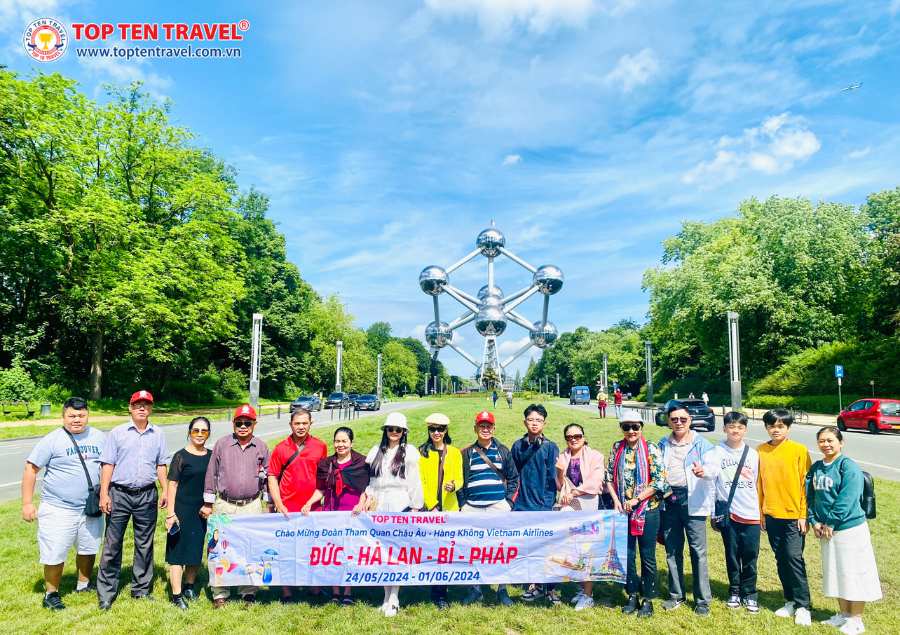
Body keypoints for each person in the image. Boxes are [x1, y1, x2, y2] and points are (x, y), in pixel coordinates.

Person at [22, 397, 106, 610]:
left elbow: (108, 466)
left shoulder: (100, 437)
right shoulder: (52, 440)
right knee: (55, 550)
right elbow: (31, 469)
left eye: (81, 415)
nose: (76, 420)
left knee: (88, 548)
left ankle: (84, 584)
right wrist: (27, 503)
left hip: (90, 507)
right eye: (72, 416)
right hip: (58, 507)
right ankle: (51, 593)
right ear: (63, 416)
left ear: (87, 415)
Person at [96, 390, 168, 609]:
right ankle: (107, 593)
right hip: (119, 494)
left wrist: (165, 490)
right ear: (130, 407)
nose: (142, 408)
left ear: (151, 408)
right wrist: (104, 493)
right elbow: (107, 464)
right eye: (138, 404)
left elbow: (161, 464)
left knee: (144, 544)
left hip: (147, 494)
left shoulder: (158, 434)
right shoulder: (118, 433)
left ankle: (141, 589)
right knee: (112, 543)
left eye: (146, 405)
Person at [807, 427, 882, 635]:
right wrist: (814, 521)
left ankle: (856, 619)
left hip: (849, 529)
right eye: (822, 441)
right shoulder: (816, 468)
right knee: (836, 572)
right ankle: (843, 614)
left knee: (853, 573)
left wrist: (831, 522)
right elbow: (810, 497)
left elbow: (847, 498)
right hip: (825, 530)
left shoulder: (847, 466)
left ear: (841, 442)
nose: (826, 444)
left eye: (830, 440)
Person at [202, 404, 270, 608]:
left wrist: (268, 504)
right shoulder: (222, 444)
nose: (243, 426)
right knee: (219, 549)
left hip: (251, 505)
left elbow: (267, 476)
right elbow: (211, 474)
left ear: (254, 424)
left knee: (250, 549)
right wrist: (208, 503)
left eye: (247, 423)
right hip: (224, 504)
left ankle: (247, 590)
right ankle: (220, 592)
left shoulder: (261, 447)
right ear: (233, 424)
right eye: (239, 422)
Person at [358, 412, 424, 617]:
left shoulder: (410, 453)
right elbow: (371, 482)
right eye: (390, 429)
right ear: (385, 431)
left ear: (404, 432)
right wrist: (368, 498)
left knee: (396, 553)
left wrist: (415, 507)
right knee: (382, 553)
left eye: (398, 429)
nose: (394, 433)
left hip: (400, 503)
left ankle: (394, 597)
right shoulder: (377, 451)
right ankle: (386, 595)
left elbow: (414, 481)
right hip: (379, 504)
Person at [606, 409, 668, 618]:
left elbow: (659, 481)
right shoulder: (617, 447)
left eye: (635, 427)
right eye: (626, 427)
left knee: (647, 556)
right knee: (628, 555)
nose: (631, 431)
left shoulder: (651, 448)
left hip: (647, 510)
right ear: (621, 428)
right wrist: (616, 501)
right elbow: (608, 477)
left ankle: (648, 598)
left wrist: (636, 500)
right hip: (623, 511)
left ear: (641, 427)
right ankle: (632, 593)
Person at [658, 401, 718, 616]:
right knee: (672, 550)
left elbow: (714, 467)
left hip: (693, 500)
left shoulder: (701, 443)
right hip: (669, 500)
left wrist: (705, 471)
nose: (679, 423)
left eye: (683, 419)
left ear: (690, 420)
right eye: (674, 419)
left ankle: (702, 600)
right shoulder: (663, 443)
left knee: (698, 551)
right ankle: (676, 595)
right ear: (669, 422)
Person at [458, 410, 520, 607]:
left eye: (488, 426)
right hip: (472, 508)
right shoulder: (466, 453)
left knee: (500, 548)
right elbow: (459, 482)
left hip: (497, 507)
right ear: (475, 428)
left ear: (493, 428)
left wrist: (508, 502)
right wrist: (462, 505)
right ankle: (475, 589)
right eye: (481, 426)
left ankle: (502, 589)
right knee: (472, 549)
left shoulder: (503, 451)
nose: (485, 429)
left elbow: (514, 478)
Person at [303, 426, 370, 605]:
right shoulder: (326, 464)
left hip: (351, 513)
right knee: (332, 552)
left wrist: (361, 504)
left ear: (351, 443)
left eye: (344, 441)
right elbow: (321, 489)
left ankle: (347, 590)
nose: (340, 445)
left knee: (349, 552)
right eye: (337, 441)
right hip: (331, 513)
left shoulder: (362, 463)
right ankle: (334, 590)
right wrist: (310, 502)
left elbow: (365, 489)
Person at [758, 408, 813, 627]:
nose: (776, 430)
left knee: (793, 559)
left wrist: (803, 515)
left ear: (788, 428)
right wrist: (761, 512)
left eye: (780, 426)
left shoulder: (799, 450)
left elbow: (805, 486)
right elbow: (758, 485)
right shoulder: (760, 451)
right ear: (766, 428)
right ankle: (789, 600)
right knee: (781, 559)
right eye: (772, 426)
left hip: (793, 517)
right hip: (771, 514)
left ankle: (803, 606)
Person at [268, 406, 328, 603]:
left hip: (312, 507)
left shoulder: (320, 446)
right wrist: (278, 503)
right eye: (297, 423)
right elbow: (272, 477)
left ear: (311, 423)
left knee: (312, 547)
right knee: (286, 549)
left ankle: (314, 586)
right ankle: (286, 590)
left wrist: (314, 501)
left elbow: (324, 478)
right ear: (290, 425)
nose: (301, 427)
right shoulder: (280, 448)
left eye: (304, 423)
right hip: (287, 508)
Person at [711, 412, 761, 613]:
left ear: (745, 430)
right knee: (732, 554)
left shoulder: (753, 454)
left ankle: (749, 593)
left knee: (750, 555)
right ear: (724, 429)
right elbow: (713, 482)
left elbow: (756, 483)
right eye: (731, 426)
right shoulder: (717, 451)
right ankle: (734, 590)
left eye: (740, 427)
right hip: (729, 513)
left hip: (751, 513)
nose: (735, 430)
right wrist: (714, 512)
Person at [512, 404, 561, 605]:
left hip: (542, 504)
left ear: (544, 423)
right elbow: (513, 475)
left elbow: (552, 479)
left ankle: (549, 587)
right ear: (525, 422)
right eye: (531, 420)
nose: (534, 423)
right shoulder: (518, 445)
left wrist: (548, 505)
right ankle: (532, 583)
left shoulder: (550, 447)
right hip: (522, 503)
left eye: (538, 420)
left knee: (546, 547)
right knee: (527, 546)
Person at [556, 422, 607, 611]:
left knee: (587, 549)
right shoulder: (563, 456)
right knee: (573, 549)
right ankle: (580, 588)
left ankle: (588, 594)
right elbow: (560, 486)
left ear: (584, 437)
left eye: (577, 436)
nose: (573, 440)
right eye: (569, 437)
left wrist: (575, 492)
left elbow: (595, 482)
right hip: (569, 506)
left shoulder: (595, 456)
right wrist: (560, 472)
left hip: (588, 505)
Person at [165, 417, 212, 609]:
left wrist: (210, 505)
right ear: (189, 432)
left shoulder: (212, 455)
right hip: (181, 510)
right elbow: (172, 485)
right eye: (196, 430)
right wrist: (170, 514)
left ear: (208, 434)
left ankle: (189, 586)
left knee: (195, 551)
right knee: (177, 553)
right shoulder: (180, 456)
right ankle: (176, 595)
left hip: (201, 511)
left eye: (204, 431)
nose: (199, 434)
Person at [418, 412, 463, 609]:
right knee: (430, 550)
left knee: (445, 552)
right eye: (433, 429)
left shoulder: (454, 452)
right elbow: (421, 482)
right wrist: (432, 504)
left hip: (450, 509)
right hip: (430, 510)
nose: (436, 432)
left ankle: (441, 593)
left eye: (440, 429)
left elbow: (460, 478)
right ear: (428, 430)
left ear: (446, 431)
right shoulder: (422, 452)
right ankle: (427, 586)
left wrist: (455, 486)